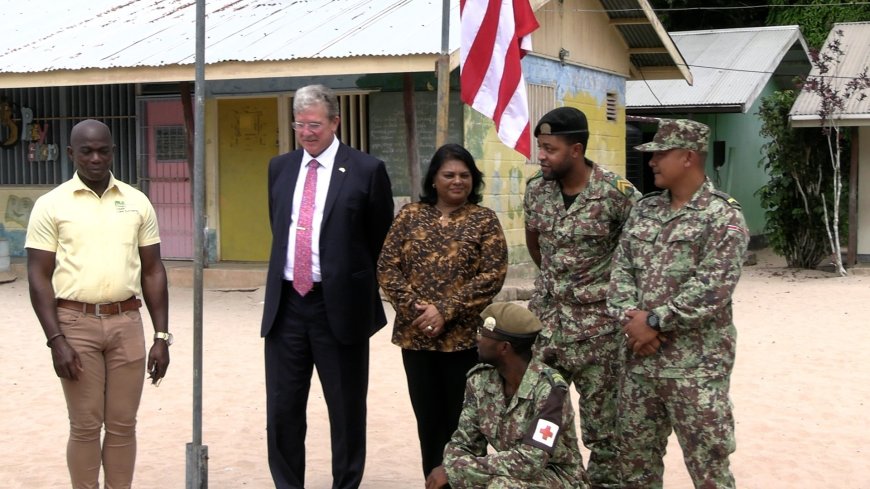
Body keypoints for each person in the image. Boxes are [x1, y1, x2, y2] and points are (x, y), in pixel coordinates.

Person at [260, 84, 394, 489]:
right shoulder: (279, 168)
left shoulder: (367, 170)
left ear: (335, 122)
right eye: (299, 124)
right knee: (283, 410)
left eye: (314, 124)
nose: (306, 132)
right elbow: (279, 226)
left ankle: (346, 484)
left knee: (346, 408)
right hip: (286, 306)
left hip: (339, 308)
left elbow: (379, 240)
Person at [26, 119, 171, 488]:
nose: (95, 158)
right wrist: (56, 341)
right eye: (86, 151)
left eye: (102, 150)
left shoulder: (137, 202)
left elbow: (153, 271)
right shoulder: (51, 205)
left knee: (123, 425)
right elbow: (38, 276)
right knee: (86, 425)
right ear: (72, 153)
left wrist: (161, 336)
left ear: (112, 152)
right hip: (75, 325)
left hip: (127, 323)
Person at [607, 119, 749, 488]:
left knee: (710, 472)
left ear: (687, 157)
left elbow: (714, 288)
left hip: (695, 371)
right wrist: (630, 320)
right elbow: (620, 272)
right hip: (639, 366)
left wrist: (653, 321)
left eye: (660, 154)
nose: (652, 162)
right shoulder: (644, 210)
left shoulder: (723, 216)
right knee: (634, 470)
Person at [377, 143, 508, 481]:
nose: (457, 181)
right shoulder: (409, 215)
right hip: (416, 338)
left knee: (465, 422)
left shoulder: (484, 221)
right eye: (448, 174)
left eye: (465, 175)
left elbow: (493, 275)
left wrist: (445, 310)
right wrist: (418, 311)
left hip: (464, 342)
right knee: (429, 421)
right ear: (434, 179)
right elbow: (387, 268)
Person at [523, 106, 637, 488]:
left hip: (599, 334)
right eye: (540, 147)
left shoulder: (616, 194)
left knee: (605, 431)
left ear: (576, 149)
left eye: (550, 149)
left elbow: (636, 255)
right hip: (547, 327)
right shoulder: (537, 189)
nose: (542, 156)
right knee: (542, 420)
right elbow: (535, 243)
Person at [425, 302, 588, 489]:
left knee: (499, 486)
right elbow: (464, 443)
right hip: (509, 472)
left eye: (483, 335)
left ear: (504, 348)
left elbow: (532, 461)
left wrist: (458, 469)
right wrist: (452, 468)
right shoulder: (479, 381)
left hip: (558, 477)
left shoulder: (549, 389)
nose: (477, 339)